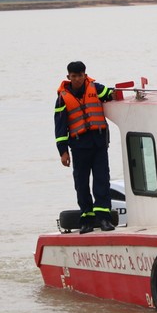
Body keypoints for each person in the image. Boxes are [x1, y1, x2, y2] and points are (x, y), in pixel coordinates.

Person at [55, 61, 115, 233]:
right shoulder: (62, 99)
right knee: (81, 183)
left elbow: (110, 94)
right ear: (68, 77)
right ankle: (86, 218)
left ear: (85, 75)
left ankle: (104, 218)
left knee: (102, 180)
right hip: (79, 146)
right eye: (74, 76)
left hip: (99, 143)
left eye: (80, 76)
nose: (78, 79)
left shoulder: (96, 88)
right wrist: (63, 151)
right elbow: (59, 128)